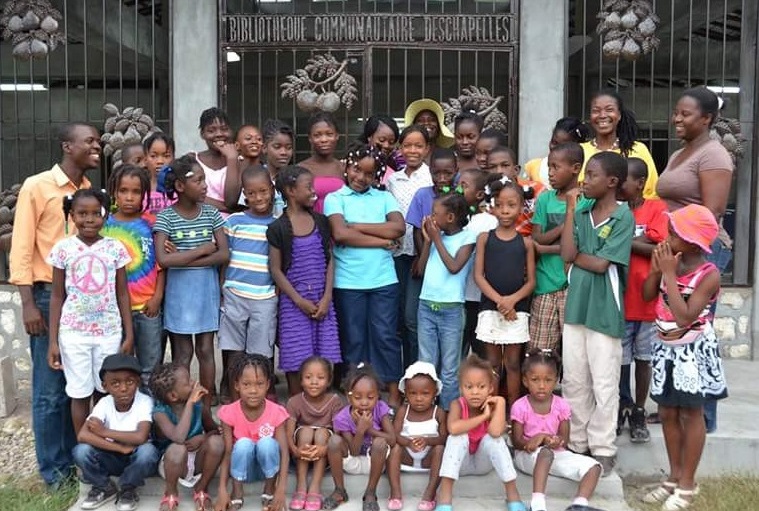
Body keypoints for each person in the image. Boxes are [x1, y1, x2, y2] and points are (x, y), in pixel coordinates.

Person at [9, 121, 100, 486]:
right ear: (67, 145)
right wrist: (28, 303)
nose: (97, 146)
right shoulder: (37, 186)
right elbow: (21, 246)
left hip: (82, 299)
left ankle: (69, 460)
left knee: (75, 386)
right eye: (89, 141)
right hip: (47, 296)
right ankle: (54, 474)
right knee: (48, 390)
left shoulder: (88, 190)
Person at [656, 86, 734, 434]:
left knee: (695, 333)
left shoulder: (714, 155)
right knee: (673, 329)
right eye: (676, 112)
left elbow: (711, 212)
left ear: (707, 119)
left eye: (685, 114)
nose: (676, 118)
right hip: (678, 249)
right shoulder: (680, 154)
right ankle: (676, 403)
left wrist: (682, 250)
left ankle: (703, 417)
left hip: (701, 250)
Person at [641, 205, 727, 510]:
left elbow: (685, 316)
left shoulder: (709, 274)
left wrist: (668, 273)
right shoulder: (669, 262)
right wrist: (656, 272)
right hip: (665, 348)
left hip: (692, 352)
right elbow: (648, 295)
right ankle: (673, 478)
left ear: (692, 242)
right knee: (666, 413)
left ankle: (688, 484)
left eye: (675, 232)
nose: (668, 235)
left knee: (691, 414)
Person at [560, 151, 634, 475]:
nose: (584, 181)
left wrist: (579, 255)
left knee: (604, 382)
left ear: (612, 182)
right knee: (575, 379)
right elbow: (566, 252)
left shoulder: (623, 217)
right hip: (576, 306)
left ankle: (603, 446)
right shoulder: (582, 211)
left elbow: (602, 264)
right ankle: (577, 442)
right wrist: (571, 210)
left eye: (591, 175)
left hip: (604, 310)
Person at [325, 145, 406, 408]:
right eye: (356, 169)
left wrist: (357, 226)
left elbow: (397, 228)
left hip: (384, 280)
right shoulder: (335, 198)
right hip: (348, 282)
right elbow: (340, 234)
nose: (360, 177)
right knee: (354, 338)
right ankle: (355, 396)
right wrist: (380, 241)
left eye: (369, 174)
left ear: (377, 176)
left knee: (385, 335)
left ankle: (392, 390)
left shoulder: (384, 198)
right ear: (347, 167)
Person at [47, 189, 133, 436]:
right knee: (79, 393)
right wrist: (53, 341)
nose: (90, 219)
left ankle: (104, 447)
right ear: (71, 215)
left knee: (104, 391)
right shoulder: (63, 249)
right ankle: (85, 449)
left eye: (96, 213)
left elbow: (123, 294)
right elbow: (56, 297)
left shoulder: (115, 248)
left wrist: (129, 335)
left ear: (105, 215)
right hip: (74, 335)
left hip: (108, 332)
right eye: (82, 214)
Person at [153, 155, 229, 410]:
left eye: (204, 179)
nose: (205, 185)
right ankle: (184, 405)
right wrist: (202, 251)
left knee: (206, 350)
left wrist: (182, 259)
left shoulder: (211, 214)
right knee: (182, 353)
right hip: (178, 294)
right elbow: (163, 259)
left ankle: (207, 404)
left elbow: (224, 254)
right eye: (198, 180)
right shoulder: (166, 217)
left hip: (205, 290)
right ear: (180, 187)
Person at [268, 166, 341, 395]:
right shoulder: (278, 228)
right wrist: (298, 300)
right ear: (290, 191)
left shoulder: (321, 221)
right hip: (294, 303)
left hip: (322, 300)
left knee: (324, 351)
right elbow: (276, 270)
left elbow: (329, 260)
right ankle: (296, 404)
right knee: (295, 352)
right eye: (308, 187)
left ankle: (321, 405)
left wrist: (327, 296)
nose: (314, 192)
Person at [511, 349, 602, 511]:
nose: (541, 386)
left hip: (556, 454)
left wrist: (554, 440)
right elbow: (516, 441)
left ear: (556, 381)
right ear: (525, 381)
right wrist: (532, 442)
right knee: (545, 453)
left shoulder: (561, 405)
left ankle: (579, 504)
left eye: (548, 380)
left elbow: (564, 440)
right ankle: (537, 504)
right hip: (527, 457)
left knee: (594, 467)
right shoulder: (520, 406)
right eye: (535, 380)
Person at [617, 158, 668, 441]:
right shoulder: (617, 210)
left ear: (639, 183)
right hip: (621, 300)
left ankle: (638, 408)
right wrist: (642, 242)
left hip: (647, 301)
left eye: (623, 178)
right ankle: (622, 405)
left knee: (644, 359)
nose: (618, 182)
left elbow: (659, 247)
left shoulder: (656, 208)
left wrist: (625, 242)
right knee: (621, 359)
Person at [474, 177, 536, 411]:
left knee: (512, 363)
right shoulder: (484, 238)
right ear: (492, 207)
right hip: (490, 308)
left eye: (511, 205)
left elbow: (531, 281)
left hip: (517, 311)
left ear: (521, 208)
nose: (505, 211)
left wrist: (512, 301)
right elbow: (479, 276)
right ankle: (491, 411)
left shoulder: (526, 243)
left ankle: (513, 412)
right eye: (499, 205)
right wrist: (501, 301)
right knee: (492, 364)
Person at [219, 165, 278, 404]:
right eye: (251, 193)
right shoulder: (234, 221)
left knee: (261, 352)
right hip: (234, 293)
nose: (258, 197)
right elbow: (225, 257)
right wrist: (222, 287)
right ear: (244, 194)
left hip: (265, 297)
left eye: (263, 191)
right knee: (233, 349)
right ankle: (235, 398)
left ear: (273, 190)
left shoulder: (277, 224)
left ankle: (260, 399)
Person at [102, 165, 165, 390]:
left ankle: (149, 420)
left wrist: (157, 296)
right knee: (120, 370)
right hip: (114, 310)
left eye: (136, 192)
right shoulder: (104, 225)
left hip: (147, 308)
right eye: (123, 191)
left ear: (145, 194)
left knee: (150, 369)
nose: (129, 197)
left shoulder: (152, 224)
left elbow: (161, 265)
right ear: (114, 192)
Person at [436, 355, 525, 511]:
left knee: (495, 441)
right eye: (469, 387)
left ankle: (512, 494)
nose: (475, 392)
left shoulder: (494, 405)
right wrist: (483, 417)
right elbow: (453, 428)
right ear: (461, 388)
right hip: (460, 463)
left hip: (483, 463)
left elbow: (496, 432)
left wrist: (501, 403)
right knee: (457, 437)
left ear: (490, 388)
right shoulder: (457, 404)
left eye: (481, 387)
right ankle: (445, 496)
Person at [72, 353, 160, 511]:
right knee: (81, 451)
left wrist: (104, 431)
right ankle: (104, 486)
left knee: (148, 452)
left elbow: (140, 437)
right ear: (105, 386)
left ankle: (127, 489)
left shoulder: (144, 401)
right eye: (115, 383)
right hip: (112, 456)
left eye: (130, 382)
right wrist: (120, 448)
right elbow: (83, 435)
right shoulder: (104, 403)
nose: (124, 388)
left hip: (136, 459)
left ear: (138, 382)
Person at [417, 194, 476, 409]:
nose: (431, 217)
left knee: (449, 369)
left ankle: (448, 414)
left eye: (436, 214)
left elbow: (453, 267)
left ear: (450, 217)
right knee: (426, 364)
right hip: (426, 306)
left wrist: (437, 239)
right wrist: (427, 242)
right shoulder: (435, 237)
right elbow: (420, 270)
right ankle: (426, 411)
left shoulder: (468, 238)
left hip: (451, 309)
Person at [530, 142, 588, 352]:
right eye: (549, 168)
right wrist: (565, 226)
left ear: (575, 168)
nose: (550, 173)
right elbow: (537, 238)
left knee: (574, 351)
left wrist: (547, 249)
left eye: (556, 167)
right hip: (545, 283)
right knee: (540, 350)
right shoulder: (545, 199)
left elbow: (582, 247)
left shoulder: (587, 201)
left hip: (573, 287)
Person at [215, 354, 290, 511]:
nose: (253, 390)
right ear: (237, 385)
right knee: (243, 444)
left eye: (259, 384)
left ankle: (269, 489)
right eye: (246, 384)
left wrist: (281, 489)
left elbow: (284, 452)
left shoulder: (277, 412)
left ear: (268, 384)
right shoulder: (228, 412)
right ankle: (237, 490)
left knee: (267, 443)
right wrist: (222, 489)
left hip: (268, 470)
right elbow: (228, 451)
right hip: (242, 470)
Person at [405, 147, 459, 364]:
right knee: (412, 317)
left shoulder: (459, 197)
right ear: (430, 172)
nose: (442, 178)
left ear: (456, 170)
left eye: (447, 173)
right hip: (425, 261)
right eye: (437, 173)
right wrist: (421, 258)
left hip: (450, 266)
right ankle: (417, 368)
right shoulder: (422, 195)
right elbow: (418, 231)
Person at [386, 125, 433, 368]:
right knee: (398, 318)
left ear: (427, 149)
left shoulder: (431, 177)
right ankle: (401, 369)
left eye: (418, 145)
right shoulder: (393, 180)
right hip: (396, 255)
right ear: (400, 148)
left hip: (422, 256)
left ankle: (417, 369)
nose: (412, 150)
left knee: (413, 317)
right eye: (407, 145)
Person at [150, 362, 224, 511]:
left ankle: (202, 488)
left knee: (217, 442)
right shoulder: (160, 413)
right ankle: (171, 492)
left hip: (198, 460)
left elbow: (215, 431)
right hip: (173, 464)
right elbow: (178, 438)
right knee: (178, 449)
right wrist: (190, 403)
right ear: (173, 396)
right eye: (187, 383)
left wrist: (203, 438)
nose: (193, 383)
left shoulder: (199, 407)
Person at [324, 364, 395, 511]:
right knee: (334, 441)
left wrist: (370, 429)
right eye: (357, 397)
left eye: (370, 397)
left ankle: (370, 493)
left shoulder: (381, 408)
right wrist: (361, 430)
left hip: (375, 461)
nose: (364, 402)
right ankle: (339, 490)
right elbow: (354, 451)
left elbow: (392, 439)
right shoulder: (342, 417)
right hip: (352, 461)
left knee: (381, 442)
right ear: (349, 397)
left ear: (377, 396)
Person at [285, 356, 344, 511]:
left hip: (324, 453)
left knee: (322, 433)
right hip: (300, 452)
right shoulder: (294, 402)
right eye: (308, 377)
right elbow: (289, 432)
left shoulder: (335, 401)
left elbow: (339, 434)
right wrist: (294, 449)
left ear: (329, 381)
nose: (314, 382)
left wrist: (324, 449)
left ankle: (315, 487)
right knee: (305, 431)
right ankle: (301, 486)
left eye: (320, 377)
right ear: (301, 380)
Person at [387, 361, 447, 511]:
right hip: (406, 457)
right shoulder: (403, 411)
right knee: (394, 448)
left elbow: (444, 438)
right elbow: (394, 435)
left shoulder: (438, 412)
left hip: (429, 459)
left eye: (425, 393)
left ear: (434, 393)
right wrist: (408, 443)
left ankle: (430, 495)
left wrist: (427, 441)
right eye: (413, 393)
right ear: (406, 393)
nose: (419, 398)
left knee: (440, 449)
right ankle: (395, 494)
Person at [580, 90, 658, 198]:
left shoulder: (637, 150)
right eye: (596, 111)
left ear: (619, 115)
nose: (602, 115)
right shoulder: (579, 151)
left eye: (609, 110)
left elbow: (651, 192)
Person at [459, 168, 500, 359]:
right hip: (458, 297)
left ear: (479, 195)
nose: (457, 189)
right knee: (458, 349)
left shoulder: (487, 221)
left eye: (463, 186)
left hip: (480, 298)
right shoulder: (453, 218)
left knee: (481, 350)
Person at [224, 119, 294, 217]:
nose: (284, 152)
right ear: (264, 148)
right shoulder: (254, 177)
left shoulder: (294, 178)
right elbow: (235, 205)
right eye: (277, 147)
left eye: (288, 147)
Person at [486, 146, 545, 237]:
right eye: (492, 167)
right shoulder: (485, 196)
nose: (499, 171)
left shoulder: (538, 190)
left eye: (505, 165)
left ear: (516, 170)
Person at [194, 107, 238, 216]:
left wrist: (232, 159)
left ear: (231, 131)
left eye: (224, 129)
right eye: (211, 130)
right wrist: (225, 208)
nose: (219, 134)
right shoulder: (193, 160)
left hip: (231, 228)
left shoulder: (240, 161)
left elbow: (232, 201)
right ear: (202, 134)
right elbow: (190, 195)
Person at [299, 112, 345, 213]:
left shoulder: (343, 168)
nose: (324, 140)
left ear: (337, 136)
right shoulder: (301, 169)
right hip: (311, 226)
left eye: (329, 134)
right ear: (310, 138)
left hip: (341, 225)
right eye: (317, 135)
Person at [524, 118, 590, 187]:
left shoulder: (583, 173)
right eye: (554, 142)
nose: (555, 148)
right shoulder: (534, 167)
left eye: (562, 146)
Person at [361, 114, 403, 184]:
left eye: (391, 142)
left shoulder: (396, 169)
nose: (386, 145)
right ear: (369, 137)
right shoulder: (355, 164)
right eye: (382, 140)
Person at [143, 132, 176, 215]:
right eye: (153, 156)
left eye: (166, 156)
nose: (160, 161)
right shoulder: (140, 186)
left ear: (173, 158)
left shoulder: (180, 186)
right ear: (145, 159)